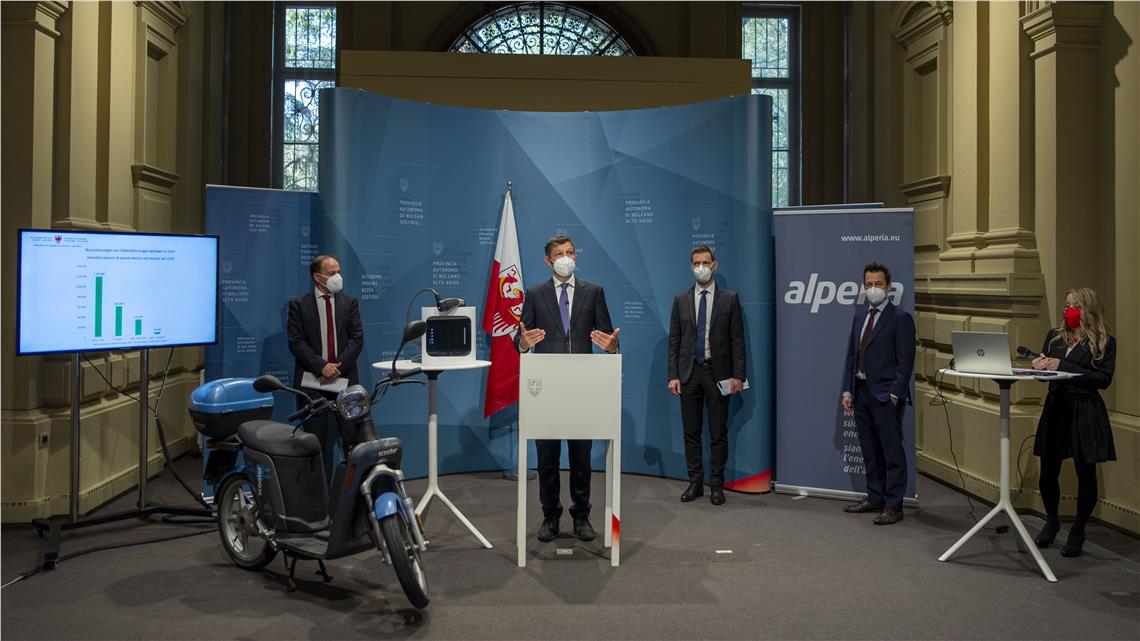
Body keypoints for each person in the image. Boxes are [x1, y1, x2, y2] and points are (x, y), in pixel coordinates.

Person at [515, 234, 620, 542]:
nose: (566, 258)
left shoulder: (594, 291)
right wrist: (523, 343)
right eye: (559, 254)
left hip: (582, 387)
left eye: (570, 252)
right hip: (546, 389)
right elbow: (521, 337)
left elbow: (607, 335)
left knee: (580, 456)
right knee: (546, 457)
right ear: (548, 261)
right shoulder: (535, 294)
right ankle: (550, 516)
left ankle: (581, 515)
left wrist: (612, 347)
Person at [1031, 287, 1116, 558]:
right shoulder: (1054, 337)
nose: (1069, 310)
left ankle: (1078, 529)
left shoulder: (1104, 342)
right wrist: (1040, 367)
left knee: (1085, 472)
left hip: (1084, 410)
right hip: (1056, 407)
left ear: (1088, 309)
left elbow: (1102, 379)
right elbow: (1047, 372)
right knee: (1048, 471)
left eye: (1075, 305)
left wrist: (1062, 366)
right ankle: (1052, 521)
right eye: (1067, 305)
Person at [666, 245, 746, 505]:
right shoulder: (681, 299)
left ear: (714, 265)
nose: (701, 267)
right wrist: (673, 375)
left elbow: (738, 341)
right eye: (696, 263)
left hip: (718, 373)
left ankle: (716, 486)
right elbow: (675, 341)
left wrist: (738, 375)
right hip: (689, 374)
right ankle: (695, 483)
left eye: (705, 262)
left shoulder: (730, 299)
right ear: (691, 267)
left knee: (718, 433)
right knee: (691, 432)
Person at [840, 262, 915, 525]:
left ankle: (894, 505)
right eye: (869, 284)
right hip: (860, 393)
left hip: (885, 396)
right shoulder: (859, 318)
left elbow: (905, 362)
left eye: (878, 284)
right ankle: (875, 497)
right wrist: (848, 390)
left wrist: (895, 394)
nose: (873, 288)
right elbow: (852, 357)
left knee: (892, 452)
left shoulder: (900, 319)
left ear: (888, 287)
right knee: (870, 451)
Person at [287, 255, 365, 477]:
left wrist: (335, 368)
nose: (337, 277)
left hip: (344, 380)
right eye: (332, 273)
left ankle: (354, 491)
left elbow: (356, 339)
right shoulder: (299, 305)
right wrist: (321, 367)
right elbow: (296, 342)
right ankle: (318, 491)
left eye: (338, 272)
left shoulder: (349, 302)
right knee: (315, 442)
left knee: (353, 438)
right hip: (312, 383)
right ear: (317, 277)